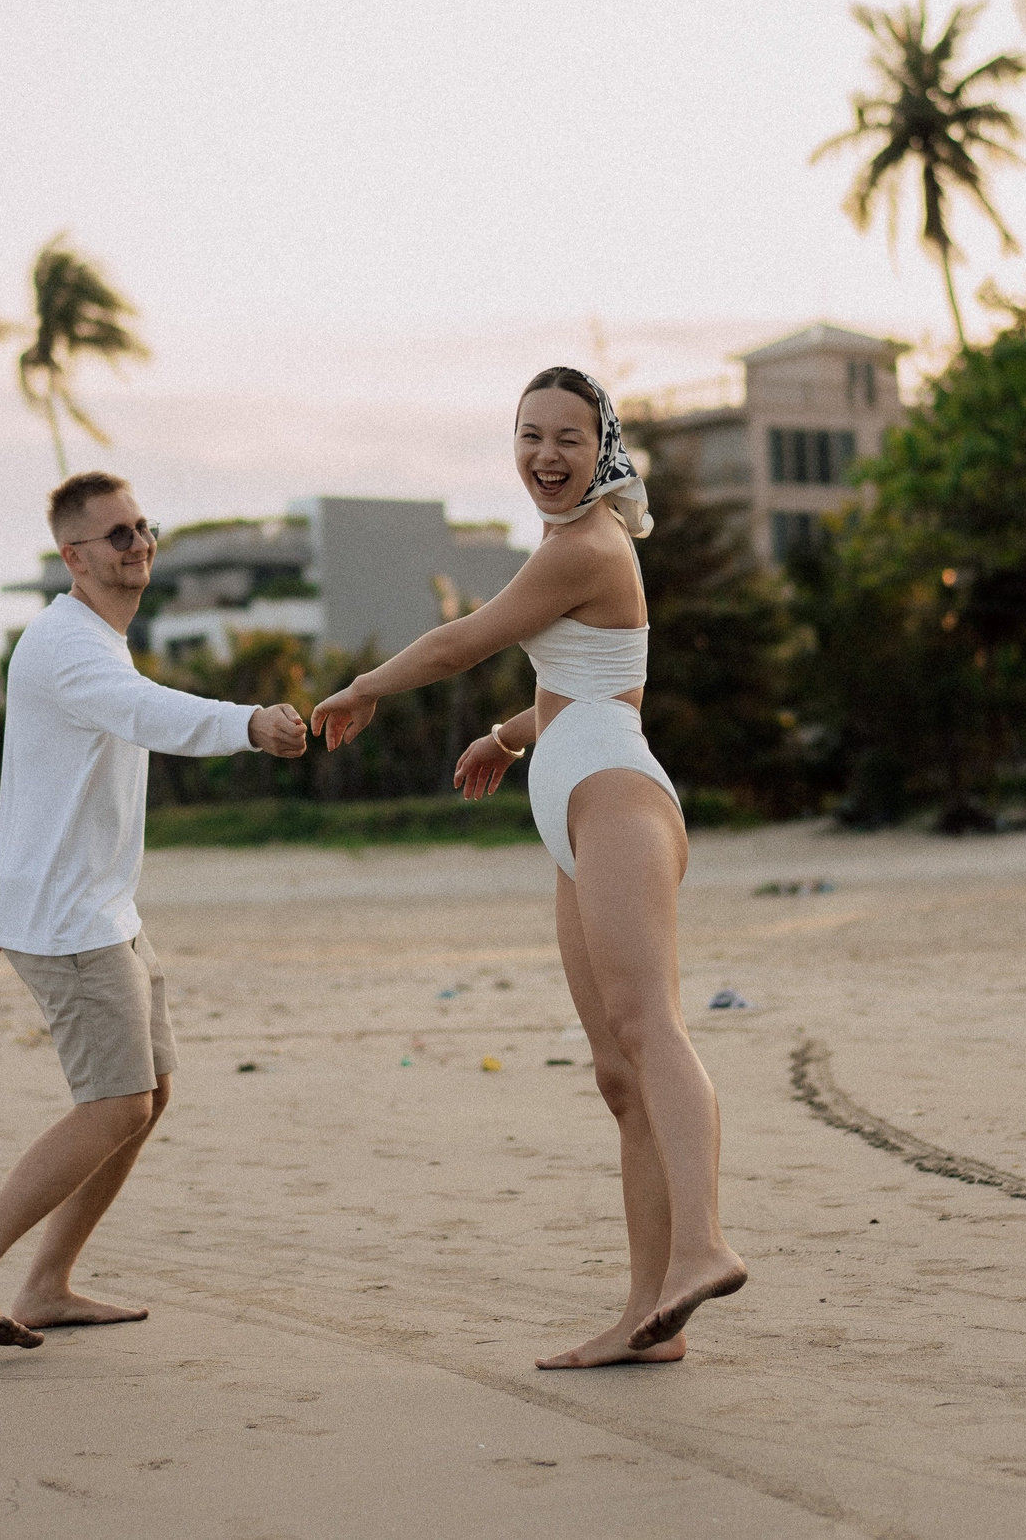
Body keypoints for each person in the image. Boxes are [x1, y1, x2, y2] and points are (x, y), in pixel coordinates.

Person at [311, 366, 746, 1368]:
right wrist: (511, 738)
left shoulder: (588, 543)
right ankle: (648, 1319)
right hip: (572, 796)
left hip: (614, 798)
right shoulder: (567, 546)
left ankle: (703, 1243)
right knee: (617, 1075)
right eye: (530, 435)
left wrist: (364, 686)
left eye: (568, 437)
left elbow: (465, 642)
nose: (546, 455)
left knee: (649, 1027)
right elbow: (588, 676)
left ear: (603, 450)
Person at [0, 472, 308, 1349]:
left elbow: (44, 781)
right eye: (117, 535)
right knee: (117, 1103)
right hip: (73, 924)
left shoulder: (91, 639)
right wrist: (248, 724)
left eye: (142, 527)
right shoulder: (68, 645)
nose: (139, 545)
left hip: (95, 910)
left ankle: (47, 1284)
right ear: (75, 557)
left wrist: (17, 899)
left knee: (148, 1093)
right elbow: (145, 713)